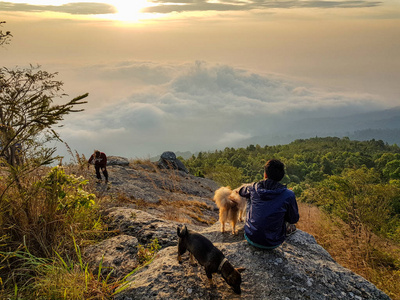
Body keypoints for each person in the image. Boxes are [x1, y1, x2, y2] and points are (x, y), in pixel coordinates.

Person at [239, 159, 299, 250]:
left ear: (265, 174)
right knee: (284, 207)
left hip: (250, 236)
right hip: (273, 242)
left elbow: (241, 191)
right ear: (281, 176)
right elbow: (294, 218)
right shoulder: (288, 194)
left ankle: (252, 225)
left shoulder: (253, 188)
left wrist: (252, 185)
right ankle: (287, 229)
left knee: (249, 198)